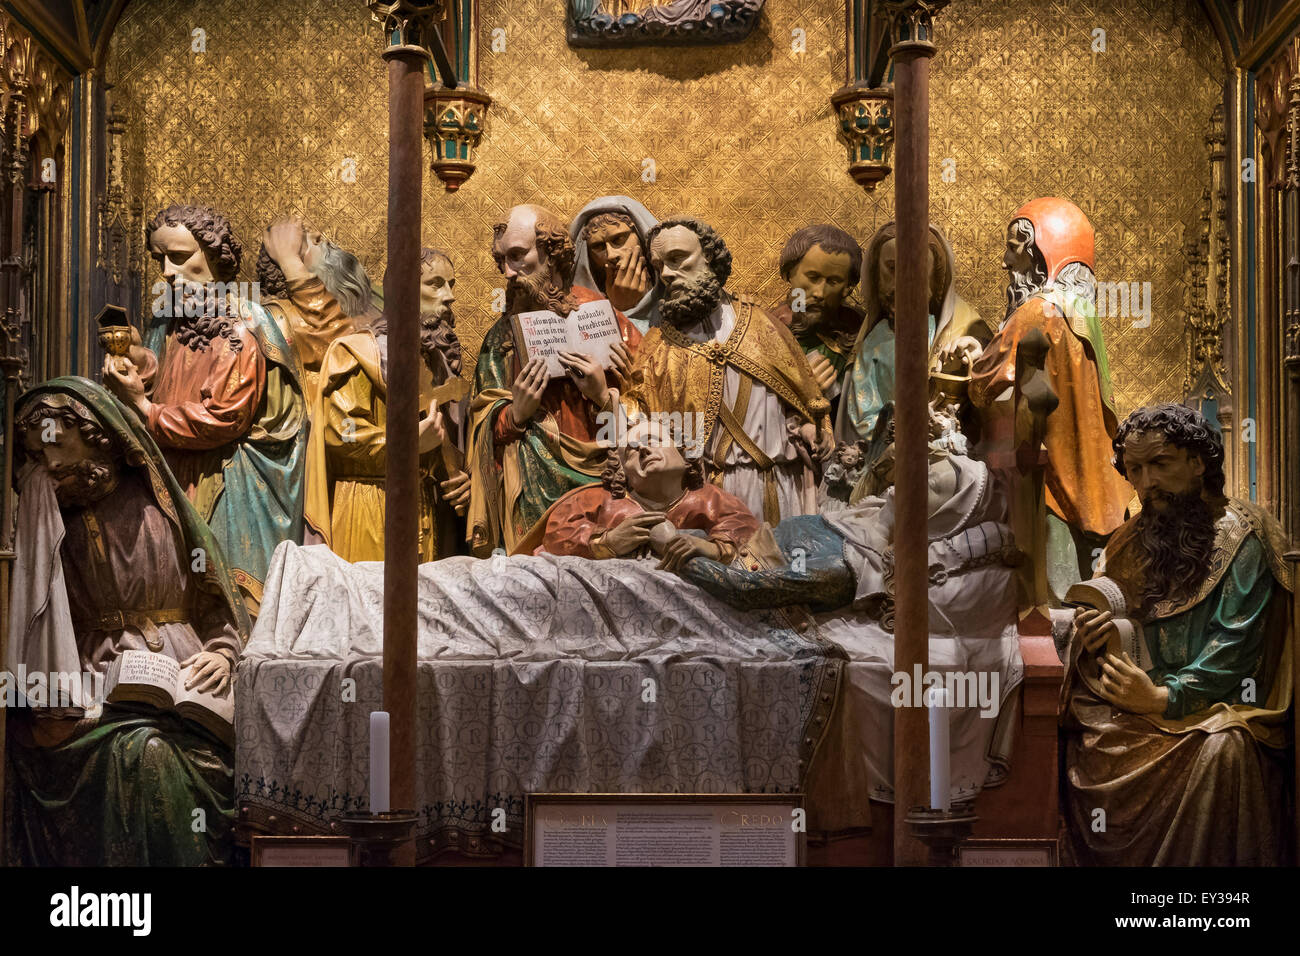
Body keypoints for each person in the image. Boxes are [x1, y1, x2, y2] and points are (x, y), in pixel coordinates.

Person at [5, 377, 249, 866]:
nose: (49, 463)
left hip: (187, 677)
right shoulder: (45, 518)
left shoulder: (162, 504)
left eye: (54, 442)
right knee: (138, 752)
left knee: (168, 755)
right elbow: (37, 623)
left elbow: (216, 602)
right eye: (35, 453)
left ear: (96, 433)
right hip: (94, 679)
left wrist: (224, 651)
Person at [1063, 404, 1293, 866]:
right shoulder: (1129, 539)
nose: (1147, 482)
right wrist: (1090, 638)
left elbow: (1235, 646)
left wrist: (1163, 697)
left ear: (1198, 462)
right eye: (1135, 469)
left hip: (1220, 705)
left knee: (1223, 752)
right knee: (1091, 743)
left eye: (1160, 464)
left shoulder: (1244, 535)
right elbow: (1108, 613)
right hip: (1132, 704)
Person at [103, 203, 306, 613]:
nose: (166, 272)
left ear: (215, 258)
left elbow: (223, 418)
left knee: (220, 603)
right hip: (175, 469)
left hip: (228, 482)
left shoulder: (243, 325)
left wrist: (143, 408)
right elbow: (170, 372)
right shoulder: (170, 319)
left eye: (179, 257)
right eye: (159, 258)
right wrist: (141, 364)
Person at [969, 198, 1132, 597]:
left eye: (1015, 247)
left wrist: (970, 355)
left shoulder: (1037, 312)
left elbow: (984, 385)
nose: (1006, 261)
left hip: (1046, 461)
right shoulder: (1082, 310)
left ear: (1045, 252)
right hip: (1086, 457)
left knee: (1051, 587)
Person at [622, 216, 832, 525]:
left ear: (708, 256)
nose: (667, 273)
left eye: (678, 259)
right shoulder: (658, 348)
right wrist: (606, 397)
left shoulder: (762, 324)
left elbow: (802, 400)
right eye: (659, 265)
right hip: (711, 493)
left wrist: (811, 427)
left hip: (779, 484)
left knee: (784, 562)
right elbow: (641, 419)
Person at [467, 203, 640, 554]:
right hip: (530, 491)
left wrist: (603, 397)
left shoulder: (612, 322)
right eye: (501, 260)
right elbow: (482, 421)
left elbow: (652, 417)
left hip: (607, 487)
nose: (508, 272)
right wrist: (516, 413)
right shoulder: (501, 340)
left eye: (517, 256)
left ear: (552, 252)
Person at [307, 248, 471, 562]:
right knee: (372, 602)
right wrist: (406, 444)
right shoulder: (356, 353)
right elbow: (342, 433)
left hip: (425, 509)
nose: (449, 296)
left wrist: (460, 480)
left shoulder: (439, 366)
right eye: (435, 284)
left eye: (451, 284)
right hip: (369, 503)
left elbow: (440, 444)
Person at [526, 416, 759, 568]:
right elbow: (557, 534)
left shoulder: (710, 499)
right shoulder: (598, 499)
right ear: (622, 474)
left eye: (653, 440)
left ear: (685, 456)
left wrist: (712, 548)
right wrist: (607, 541)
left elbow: (747, 534)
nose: (645, 450)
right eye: (631, 452)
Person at [838, 221, 993, 446]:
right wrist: (901, 427)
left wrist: (979, 352)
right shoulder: (875, 339)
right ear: (876, 273)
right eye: (892, 269)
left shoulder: (966, 327)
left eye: (916, 269)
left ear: (935, 279)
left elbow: (993, 396)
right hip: (888, 447)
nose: (903, 282)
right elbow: (863, 411)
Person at [770, 224, 864, 415]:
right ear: (789, 273)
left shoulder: (861, 332)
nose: (820, 293)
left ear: (848, 287)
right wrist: (800, 391)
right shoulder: (766, 330)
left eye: (833, 282)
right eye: (813, 277)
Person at [571, 195, 661, 332]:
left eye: (618, 239)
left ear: (641, 234)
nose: (612, 255)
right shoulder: (577, 308)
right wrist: (619, 308)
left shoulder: (675, 291)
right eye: (598, 246)